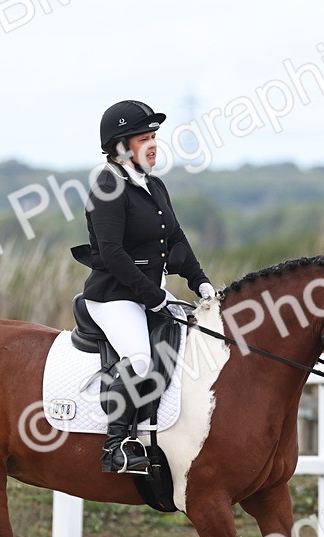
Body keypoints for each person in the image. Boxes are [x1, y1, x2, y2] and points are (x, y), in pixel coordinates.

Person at [79, 99, 215, 474]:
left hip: (148, 295)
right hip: (114, 297)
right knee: (140, 359)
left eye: (154, 136)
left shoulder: (153, 185)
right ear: (122, 146)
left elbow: (176, 238)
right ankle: (117, 445)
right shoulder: (107, 186)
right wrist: (155, 297)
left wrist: (199, 279)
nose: (154, 145)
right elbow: (112, 253)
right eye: (144, 138)